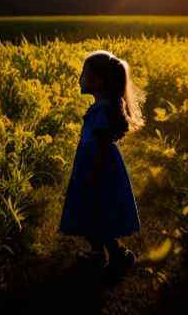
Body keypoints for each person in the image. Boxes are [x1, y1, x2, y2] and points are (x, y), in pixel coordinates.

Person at [59, 49, 145, 271]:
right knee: (93, 213)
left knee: (94, 211)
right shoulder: (102, 108)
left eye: (84, 74)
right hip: (93, 164)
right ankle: (107, 254)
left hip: (98, 167)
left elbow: (104, 145)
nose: (80, 79)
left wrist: (93, 174)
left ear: (98, 81)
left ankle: (109, 254)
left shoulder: (101, 110)